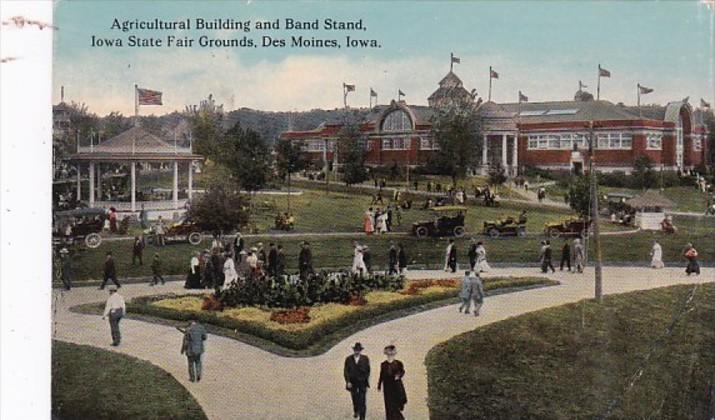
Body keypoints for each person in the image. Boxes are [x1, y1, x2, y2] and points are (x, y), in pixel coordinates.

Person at [377, 345, 407, 420]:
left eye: (392, 354)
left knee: (396, 401)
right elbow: (381, 375)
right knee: (388, 403)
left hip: (396, 385)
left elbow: (402, 371)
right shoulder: (383, 364)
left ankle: (398, 417)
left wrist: (399, 375)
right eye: (389, 354)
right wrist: (379, 385)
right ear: (387, 355)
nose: (390, 356)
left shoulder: (398, 363)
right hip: (387, 386)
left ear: (394, 354)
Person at [344, 342, 371, 420]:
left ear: (360, 351)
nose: (357, 351)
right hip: (353, 382)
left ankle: (362, 417)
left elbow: (368, 370)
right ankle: (356, 410)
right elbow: (346, 371)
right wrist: (348, 381)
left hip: (362, 382)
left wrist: (365, 378)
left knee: (362, 399)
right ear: (354, 350)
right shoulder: (348, 359)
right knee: (355, 397)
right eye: (356, 350)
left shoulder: (365, 358)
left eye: (358, 350)